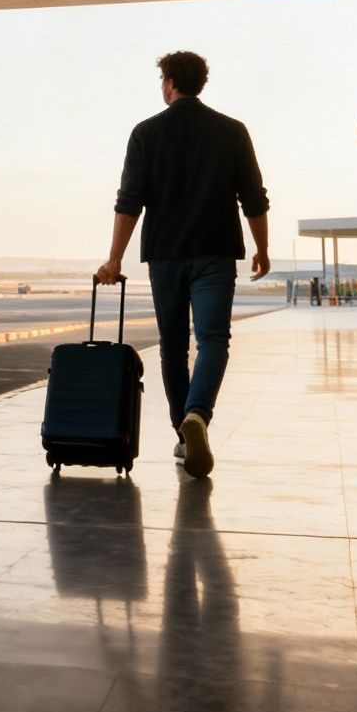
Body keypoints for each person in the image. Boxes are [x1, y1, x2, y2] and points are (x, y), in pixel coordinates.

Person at [96, 51, 269, 478]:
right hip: (215, 254)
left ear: (169, 82)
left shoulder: (146, 133)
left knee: (173, 348)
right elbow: (254, 198)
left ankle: (182, 431)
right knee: (213, 340)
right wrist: (262, 249)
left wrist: (114, 258)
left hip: (166, 256)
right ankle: (198, 415)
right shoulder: (233, 131)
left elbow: (128, 202)